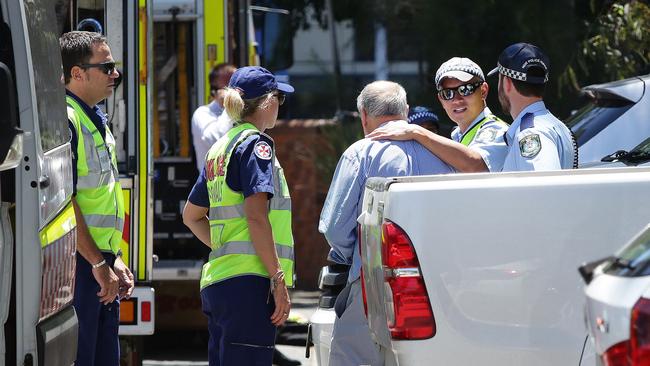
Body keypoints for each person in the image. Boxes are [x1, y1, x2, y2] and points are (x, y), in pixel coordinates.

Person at [319, 81, 453, 366]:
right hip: (435, 283)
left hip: (373, 279)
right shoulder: (444, 154)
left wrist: (353, 257)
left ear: (364, 115)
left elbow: (335, 227)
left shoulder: (360, 153)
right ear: (405, 111)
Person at [182, 66, 295, 366]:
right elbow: (257, 217)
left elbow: (191, 216)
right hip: (250, 285)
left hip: (220, 283)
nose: (280, 107)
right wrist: (278, 278)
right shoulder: (256, 146)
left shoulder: (219, 149)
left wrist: (224, 246)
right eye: (280, 99)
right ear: (268, 102)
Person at [60, 31, 134, 366]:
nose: (115, 74)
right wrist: (98, 262)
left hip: (98, 263)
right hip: (80, 265)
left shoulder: (95, 118)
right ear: (77, 73)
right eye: (106, 67)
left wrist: (113, 257)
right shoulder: (68, 119)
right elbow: (65, 202)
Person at [368, 57, 509, 172]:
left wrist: (416, 131)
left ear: (483, 91)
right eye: (448, 93)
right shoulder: (458, 135)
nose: (457, 99)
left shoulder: (498, 131)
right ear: (441, 100)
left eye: (466, 89)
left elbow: (475, 165)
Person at [486, 42, 577, 170]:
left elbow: (541, 187)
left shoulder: (530, 133)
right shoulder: (553, 125)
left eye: (499, 79)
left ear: (507, 83)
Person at [191, 63, 237, 172]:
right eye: (230, 87)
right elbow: (216, 139)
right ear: (214, 92)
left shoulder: (242, 113)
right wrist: (229, 105)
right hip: (212, 186)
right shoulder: (202, 113)